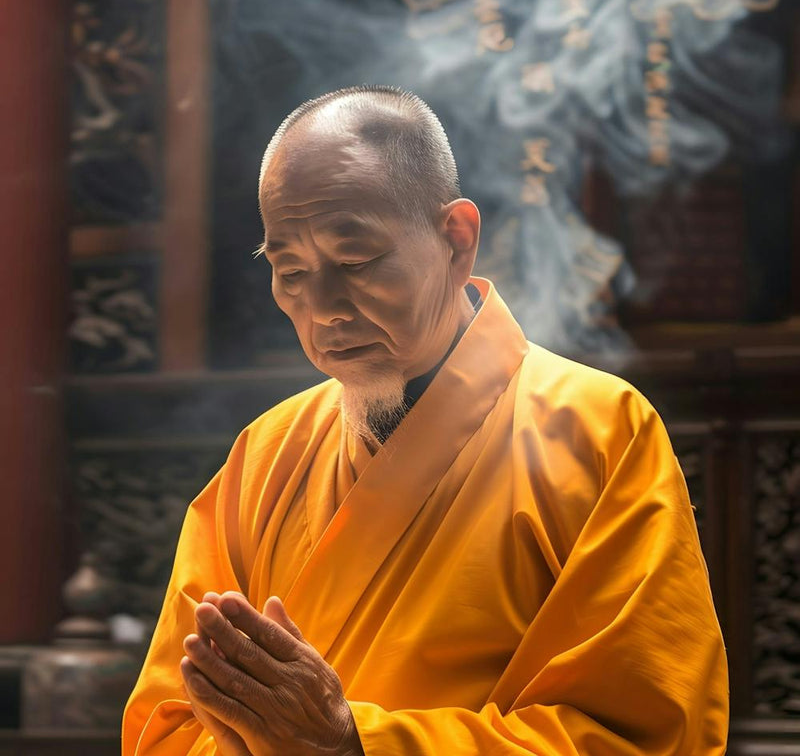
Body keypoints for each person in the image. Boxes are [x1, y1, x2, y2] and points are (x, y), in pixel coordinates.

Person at [122, 86, 729, 756]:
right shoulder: (263, 457)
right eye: (290, 270)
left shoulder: (598, 432)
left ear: (455, 239)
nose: (321, 310)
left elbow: (645, 734)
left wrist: (357, 744)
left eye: (354, 262)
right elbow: (168, 726)